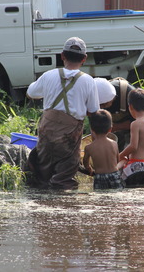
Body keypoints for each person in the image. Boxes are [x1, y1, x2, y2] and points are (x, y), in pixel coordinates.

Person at [26, 37, 99, 190]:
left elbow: (31, 93)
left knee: (43, 175)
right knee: (64, 178)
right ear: (84, 59)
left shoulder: (48, 75)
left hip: (47, 130)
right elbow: (93, 112)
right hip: (70, 136)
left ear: (62, 55)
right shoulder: (88, 81)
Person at [118, 88, 144, 188]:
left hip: (136, 166)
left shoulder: (135, 123)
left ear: (130, 107)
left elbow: (133, 146)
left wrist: (119, 155)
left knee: (126, 193)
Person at [83, 109, 124, 189]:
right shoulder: (114, 144)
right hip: (114, 175)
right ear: (110, 129)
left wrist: (90, 169)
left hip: (99, 178)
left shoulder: (89, 148)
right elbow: (117, 161)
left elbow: (85, 163)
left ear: (92, 129)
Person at [94, 77, 135, 151]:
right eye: (100, 105)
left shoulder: (129, 94)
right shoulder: (93, 99)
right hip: (109, 130)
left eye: (104, 104)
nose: (102, 107)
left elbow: (139, 121)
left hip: (133, 130)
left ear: (113, 97)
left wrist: (116, 127)